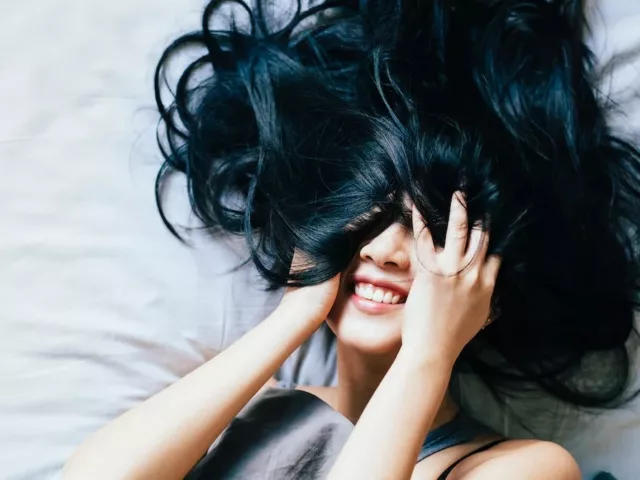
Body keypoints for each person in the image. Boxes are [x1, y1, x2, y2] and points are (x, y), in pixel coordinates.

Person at [64, 0, 640, 478]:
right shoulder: (255, 408)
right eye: (368, 215)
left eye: (431, 229)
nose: (384, 250)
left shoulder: (520, 467)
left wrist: (427, 353)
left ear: (489, 284)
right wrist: (296, 312)